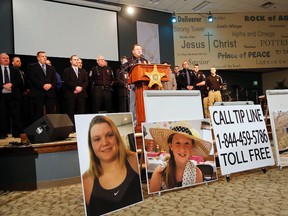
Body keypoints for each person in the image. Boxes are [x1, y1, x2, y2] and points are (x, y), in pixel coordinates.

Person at [82, 115, 143, 215]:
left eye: (109, 135)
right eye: (97, 139)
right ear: (91, 145)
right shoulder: (86, 180)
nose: (105, 143)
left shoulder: (135, 160)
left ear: (117, 137)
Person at [148, 122, 212, 193]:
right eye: (177, 143)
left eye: (187, 143)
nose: (182, 149)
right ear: (171, 146)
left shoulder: (197, 174)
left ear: (192, 147)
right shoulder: (160, 172)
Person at [27, 51, 57, 124]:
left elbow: (54, 79)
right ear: (38, 58)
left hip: (49, 94)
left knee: (50, 113)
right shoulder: (32, 67)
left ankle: (50, 130)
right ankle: (38, 131)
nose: (44, 57)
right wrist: (42, 85)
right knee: (38, 113)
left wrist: (51, 85)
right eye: (42, 56)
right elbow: (32, 78)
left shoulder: (51, 68)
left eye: (45, 56)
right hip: (38, 93)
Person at [121, 44, 149, 124]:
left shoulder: (145, 60)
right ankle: (133, 122)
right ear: (133, 51)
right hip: (134, 85)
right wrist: (128, 81)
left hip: (144, 86)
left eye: (140, 49)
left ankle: (144, 120)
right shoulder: (129, 60)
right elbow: (123, 70)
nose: (139, 50)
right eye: (137, 49)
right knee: (133, 105)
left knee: (144, 104)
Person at [0, 53, 22, 138]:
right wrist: (3, 85)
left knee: (16, 115)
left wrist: (11, 84)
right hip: (2, 96)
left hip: (14, 96)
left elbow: (19, 80)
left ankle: (16, 133)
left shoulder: (15, 70)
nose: (6, 59)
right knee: (2, 115)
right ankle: (2, 133)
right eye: (4, 58)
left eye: (7, 58)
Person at [62, 55, 88, 125]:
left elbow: (86, 82)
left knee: (81, 112)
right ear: (71, 61)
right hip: (71, 94)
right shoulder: (67, 71)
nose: (76, 61)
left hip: (81, 94)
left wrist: (81, 88)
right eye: (74, 60)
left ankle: (80, 127)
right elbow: (67, 81)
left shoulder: (83, 71)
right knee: (71, 112)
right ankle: (71, 128)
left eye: (77, 60)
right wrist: (75, 88)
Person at [12, 56, 30, 129]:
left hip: (23, 95)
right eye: (17, 61)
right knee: (16, 114)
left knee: (23, 113)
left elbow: (25, 82)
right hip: (15, 95)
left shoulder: (22, 71)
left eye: (20, 61)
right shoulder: (12, 71)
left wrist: (27, 89)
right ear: (12, 62)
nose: (19, 62)